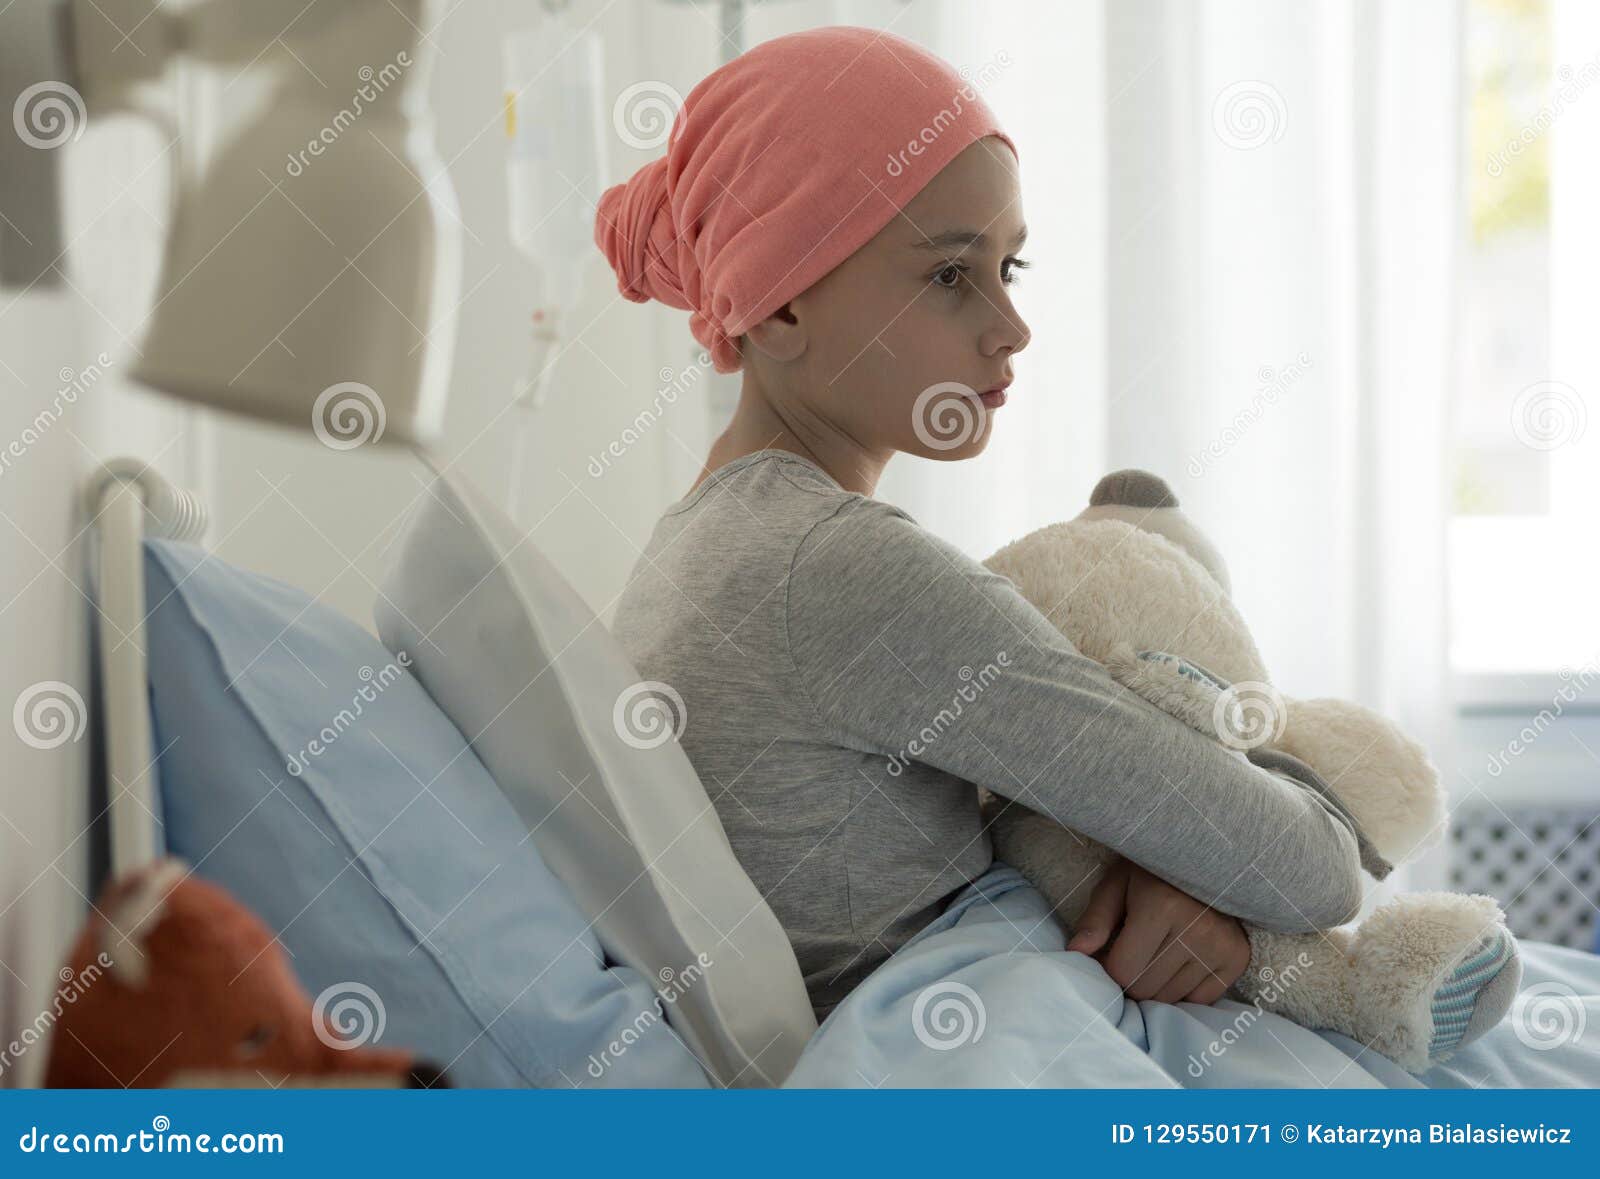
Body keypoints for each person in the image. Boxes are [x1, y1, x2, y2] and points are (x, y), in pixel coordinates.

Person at [596, 26, 1364, 1025]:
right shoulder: (842, 572)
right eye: (950, 274)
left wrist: (1154, 866)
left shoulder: (697, 545)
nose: (1010, 326)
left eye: (1013, 268)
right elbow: (1312, 867)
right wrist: (1195, 872)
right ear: (777, 305)